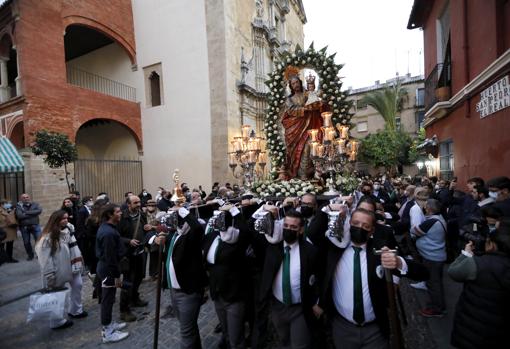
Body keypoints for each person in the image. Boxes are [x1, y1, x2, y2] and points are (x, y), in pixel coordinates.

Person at [319, 208, 428, 349]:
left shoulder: (379, 252)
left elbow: (423, 273)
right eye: (355, 223)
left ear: (371, 231)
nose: (360, 228)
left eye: (366, 226)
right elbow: (314, 232)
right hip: (342, 327)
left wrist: (399, 262)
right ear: (348, 224)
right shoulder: (334, 249)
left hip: (375, 330)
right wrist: (332, 209)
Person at [259, 209, 320, 349]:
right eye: (286, 226)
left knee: (300, 344)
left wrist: (318, 302)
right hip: (278, 306)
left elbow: (319, 278)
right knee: (284, 340)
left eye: (293, 227)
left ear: (301, 230)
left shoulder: (310, 251)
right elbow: (250, 231)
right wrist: (268, 213)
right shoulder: (272, 247)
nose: (288, 229)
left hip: (300, 308)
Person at [448, 226, 510, 349]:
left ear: (492, 245)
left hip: (473, 328)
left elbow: (453, 272)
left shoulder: (479, 263)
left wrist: (465, 254)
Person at [156, 206, 207, 349]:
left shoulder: (191, 237)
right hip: (174, 290)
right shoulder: (174, 235)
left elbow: (197, 227)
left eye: (177, 221)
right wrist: (154, 238)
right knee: (189, 327)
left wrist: (183, 211)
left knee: (186, 332)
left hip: (188, 292)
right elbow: (155, 229)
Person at [202, 207, 250, 349]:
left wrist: (234, 210)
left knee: (236, 337)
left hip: (234, 294)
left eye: (219, 219)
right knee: (226, 331)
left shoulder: (237, 238)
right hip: (217, 293)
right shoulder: (212, 236)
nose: (215, 221)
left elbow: (246, 230)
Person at [35, 210, 87, 329]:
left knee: (78, 285)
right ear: (56, 220)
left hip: (73, 265)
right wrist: (49, 274)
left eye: (67, 218)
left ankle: (75, 310)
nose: (66, 220)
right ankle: (56, 321)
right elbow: (44, 258)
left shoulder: (68, 230)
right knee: (56, 295)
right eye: (63, 218)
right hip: (57, 270)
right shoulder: (47, 237)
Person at [96, 203, 129, 343]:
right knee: (107, 300)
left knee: (109, 298)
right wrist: (116, 276)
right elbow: (110, 258)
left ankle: (109, 324)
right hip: (108, 270)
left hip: (107, 268)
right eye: (117, 212)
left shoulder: (108, 228)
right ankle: (107, 332)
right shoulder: (108, 233)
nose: (121, 213)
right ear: (110, 215)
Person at [281, 74, 325, 180]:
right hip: (295, 129)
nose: (295, 85)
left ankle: (309, 174)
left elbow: (314, 99)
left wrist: (315, 100)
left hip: (310, 126)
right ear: (291, 86)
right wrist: (304, 109)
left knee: (309, 148)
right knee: (297, 152)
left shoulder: (306, 94)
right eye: (293, 83)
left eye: (297, 82)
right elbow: (290, 110)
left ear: (300, 83)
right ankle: (301, 176)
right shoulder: (290, 99)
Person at [412, 199, 448, 317]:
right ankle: (437, 306)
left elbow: (415, 231)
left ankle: (437, 309)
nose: (424, 208)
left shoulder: (431, 222)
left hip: (433, 258)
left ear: (429, 209)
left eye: (426, 207)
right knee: (435, 282)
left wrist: (414, 227)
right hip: (435, 256)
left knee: (433, 284)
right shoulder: (439, 218)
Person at [117, 195, 150, 321]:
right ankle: (124, 310)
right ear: (128, 204)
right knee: (127, 281)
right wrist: (128, 241)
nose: (138, 204)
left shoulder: (142, 214)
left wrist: (147, 229)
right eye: (135, 203)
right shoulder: (121, 217)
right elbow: (117, 236)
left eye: (139, 202)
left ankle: (135, 298)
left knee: (139, 277)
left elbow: (145, 229)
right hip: (127, 254)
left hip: (140, 251)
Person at [16, 193, 43, 260]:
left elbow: (39, 211)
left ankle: (39, 254)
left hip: (35, 225)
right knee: (26, 242)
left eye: (27, 197)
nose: (26, 198)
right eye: (24, 198)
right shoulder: (19, 206)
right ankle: (30, 255)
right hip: (24, 227)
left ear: (29, 197)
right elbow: (19, 216)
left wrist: (25, 212)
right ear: (21, 199)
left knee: (39, 241)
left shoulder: (35, 204)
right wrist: (33, 213)